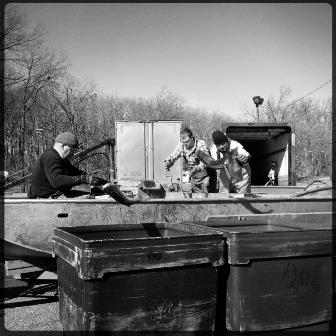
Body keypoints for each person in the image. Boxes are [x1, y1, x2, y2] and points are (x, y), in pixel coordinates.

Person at [28, 132, 108, 199]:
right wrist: (84, 179)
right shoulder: (50, 157)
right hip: (46, 198)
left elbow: (74, 172)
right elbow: (57, 181)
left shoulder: (60, 159)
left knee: (95, 195)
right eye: (72, 151)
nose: (72, 154)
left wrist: (95, 180)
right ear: (62, 146)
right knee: (91, 199)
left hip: (56, 195)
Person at [164, 128, 216, 193]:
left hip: (207, 175)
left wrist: (197, 169)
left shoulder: (201, 145)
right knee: (195, 195)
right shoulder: (182, 146)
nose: (186, 144)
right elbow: (174, 155)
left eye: (187, 142)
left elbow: (205, 162)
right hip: (195, 175)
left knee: (207, 195)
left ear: (192, 138)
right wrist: (169, 161)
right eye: (183, 142)